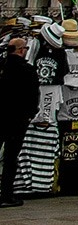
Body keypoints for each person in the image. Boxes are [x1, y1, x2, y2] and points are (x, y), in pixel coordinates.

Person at [1, 35, 38, 207]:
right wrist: (30, 114)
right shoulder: (27, 70)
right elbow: (33, 96)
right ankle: (6, 195)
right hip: (17, 119)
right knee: (11, 157)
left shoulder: (2, 67)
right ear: (21, 51)